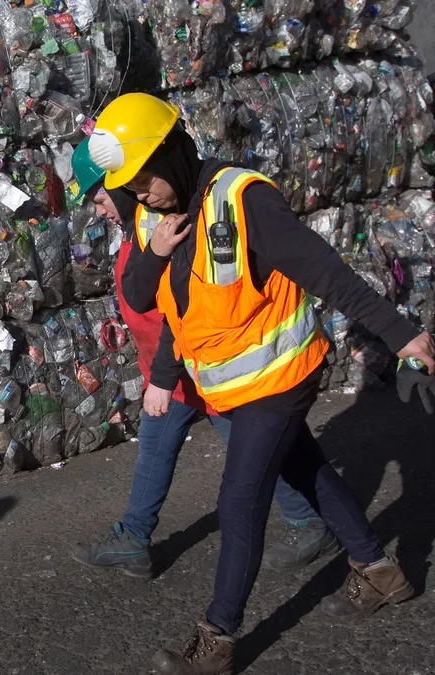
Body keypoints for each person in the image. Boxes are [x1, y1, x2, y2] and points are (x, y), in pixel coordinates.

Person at [87, 92, 435, 675]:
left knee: (240, 499)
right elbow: (156, 301)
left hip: (279, 375)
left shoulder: (243, 200)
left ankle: (216, 641)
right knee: (307, 470)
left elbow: (327, 272)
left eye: (144, 181)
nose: (138, 195)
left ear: (170, 156)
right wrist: (158, 257)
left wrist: (400, 335)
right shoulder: (160, 216)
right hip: (234, 385)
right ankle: (381, 572)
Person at [68, 138, 337, 579]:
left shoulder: (168, 227)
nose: (99, 210)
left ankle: (311, 521)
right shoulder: (143, 229)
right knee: (156, 450)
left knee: (266, 452)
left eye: (100, 198)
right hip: (176, 372)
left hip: (205, 368)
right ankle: (134, 538)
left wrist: (162, 376)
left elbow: (182, 309)